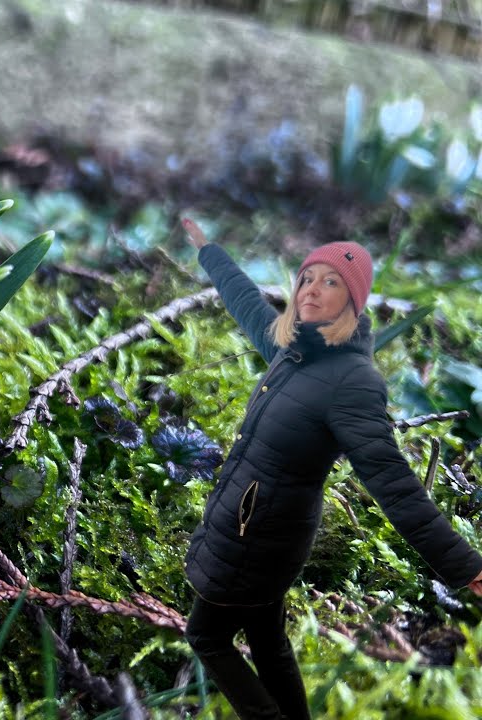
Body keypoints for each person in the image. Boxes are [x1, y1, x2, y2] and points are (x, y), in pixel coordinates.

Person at [178, 218, 482, 720]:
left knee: (206, 635)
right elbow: (248, 304)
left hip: (260, 537)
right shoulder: (293, 351)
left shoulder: (352, 381)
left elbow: (392, 481)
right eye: (307, 279)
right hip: (253, 525)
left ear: (353, 300)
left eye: (331, 282)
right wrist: (210, 251)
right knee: (267, 637)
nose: (312, 291)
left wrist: (463, 564)